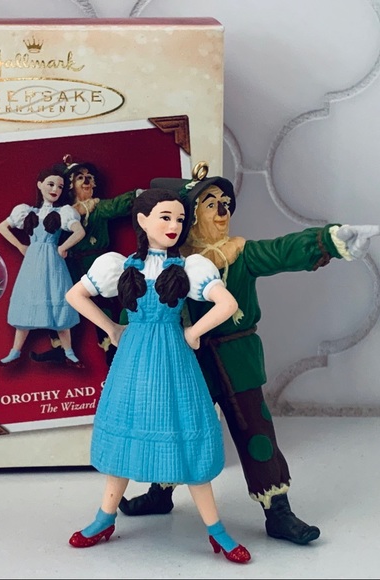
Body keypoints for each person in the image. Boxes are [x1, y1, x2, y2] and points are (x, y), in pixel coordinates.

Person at [118, 164, 380, 545]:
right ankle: (161, 492)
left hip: (236, 358)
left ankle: (278, 511)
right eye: (211, 204)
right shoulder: (169, 261)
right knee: (173, 427)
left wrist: (329, 241)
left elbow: (281, 251)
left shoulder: (239, 254)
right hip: (184, 361)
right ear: (191, 215)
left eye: (226, 204)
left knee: (256, 434)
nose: (222, 211)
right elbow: (139, 303)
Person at [65, 188, 251, 564]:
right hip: (133, 361)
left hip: (173, 360)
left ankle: (216, 529)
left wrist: (194, 332)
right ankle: (104, 517)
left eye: (179, 219)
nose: (174, 225)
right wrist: (111, 328)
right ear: (142, 220)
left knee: (185, 436)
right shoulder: (119, 265)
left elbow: (227, 303)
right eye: (165, 217)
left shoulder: (189, 267)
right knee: (126, 436)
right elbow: (75, 296)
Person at [30, 155, 140, 366]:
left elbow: (117, 205)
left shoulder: (98, 207)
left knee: (104, 303)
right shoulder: (62, 212)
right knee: (59, 301)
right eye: (80, 177)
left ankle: (112, 347)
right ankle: (60, 347)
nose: (86, 180)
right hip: (70, 264)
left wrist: (139, 196)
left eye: (89, 177)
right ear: (71, 185)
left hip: (95, 262)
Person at [0, 164, 86, 368]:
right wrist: (20, 246)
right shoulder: (27, 212)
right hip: (32, 263)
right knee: (28, 300)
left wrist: (63, 247)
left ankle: (69, 353)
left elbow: (79, 232)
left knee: (58, 301)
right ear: (39, 185)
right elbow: (2, 227)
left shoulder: (63, 212)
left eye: (59, 187)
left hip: (53, 262)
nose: (55, 190)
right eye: (50, 184)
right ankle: (14, 352)